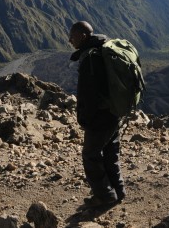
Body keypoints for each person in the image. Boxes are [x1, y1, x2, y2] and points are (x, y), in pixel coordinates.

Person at [68, 21, 125, 207]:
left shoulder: (90, 58)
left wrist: (85, 119)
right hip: (114, 112)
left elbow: (88, 94)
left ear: (83, 36)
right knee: (110, 152)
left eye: (73, 36)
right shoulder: (103, 48)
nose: (70, 40)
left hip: (100, 116)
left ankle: (105, 196)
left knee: (91, 155)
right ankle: (118, 191)